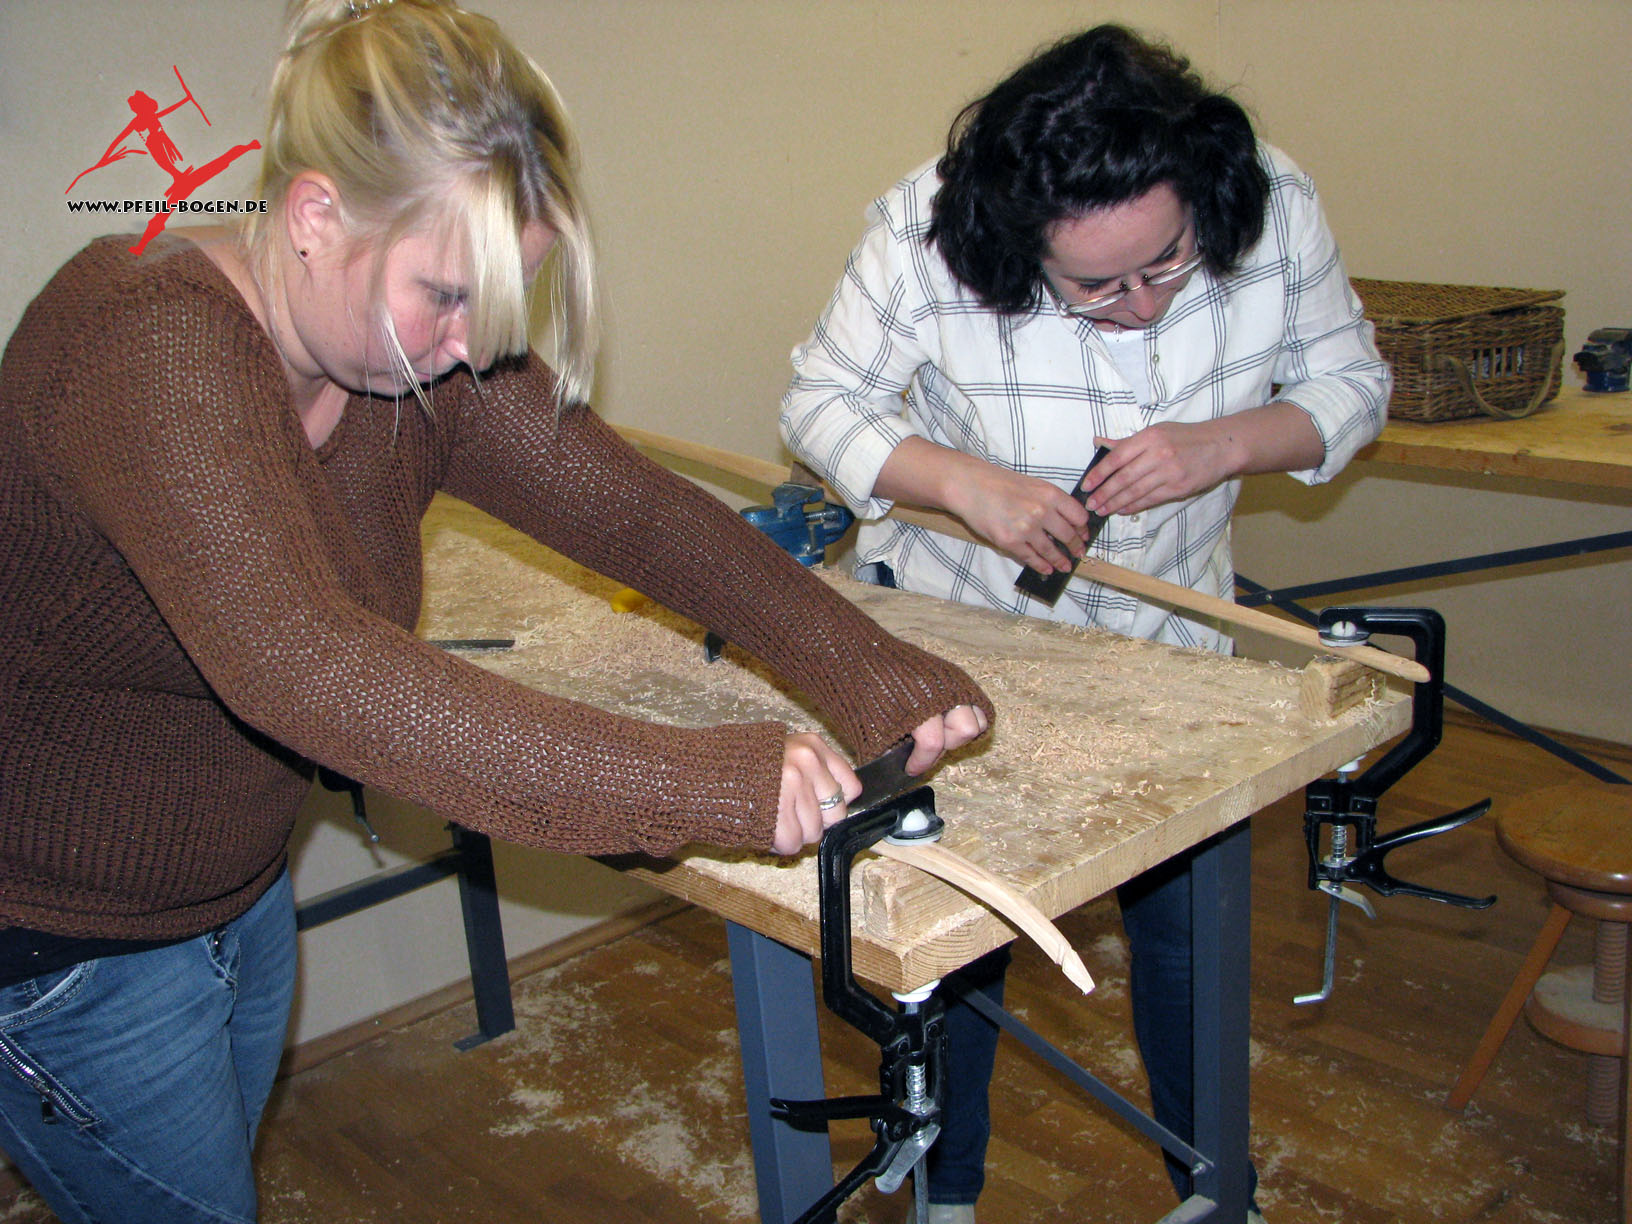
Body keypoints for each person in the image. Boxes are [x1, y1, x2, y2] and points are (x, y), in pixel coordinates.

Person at [0, 2, 993, 1221]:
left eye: (500, 300)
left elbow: (633, 512)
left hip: (229, 888)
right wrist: (702, 780)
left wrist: (863, 665)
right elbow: (308, 669)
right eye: (447, 295)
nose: (473, 348)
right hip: (63, 942)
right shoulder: (146, 348)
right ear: (313, 217)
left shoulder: (405, 350)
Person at [780, 24, 1390, 1224]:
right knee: (962, 939)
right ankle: (948, 1197)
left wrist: (1222, 446)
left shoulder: (1271, 201)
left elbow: (1353, 384)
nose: (1139, 310)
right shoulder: (926, 231)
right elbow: (819, 402)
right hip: (969, 642)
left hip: (1174, 646)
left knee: (1188, 936)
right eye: (1094, 289)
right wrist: (966, 486)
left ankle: (1213, 1193)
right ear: (1017, 246)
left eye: (1167, 265)